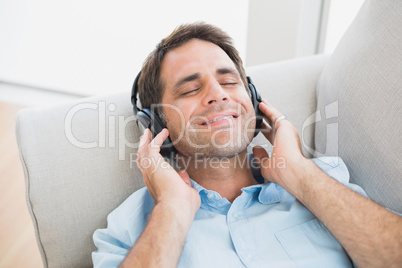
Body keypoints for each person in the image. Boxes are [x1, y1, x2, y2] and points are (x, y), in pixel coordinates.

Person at [92, 22, 402, 268]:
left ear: (253, 99)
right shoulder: (129, 226)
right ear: (159, 124)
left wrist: (298, 174)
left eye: (229, 82)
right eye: (190, 89)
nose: (219, 94)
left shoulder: (325, 179)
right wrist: (172, 208)